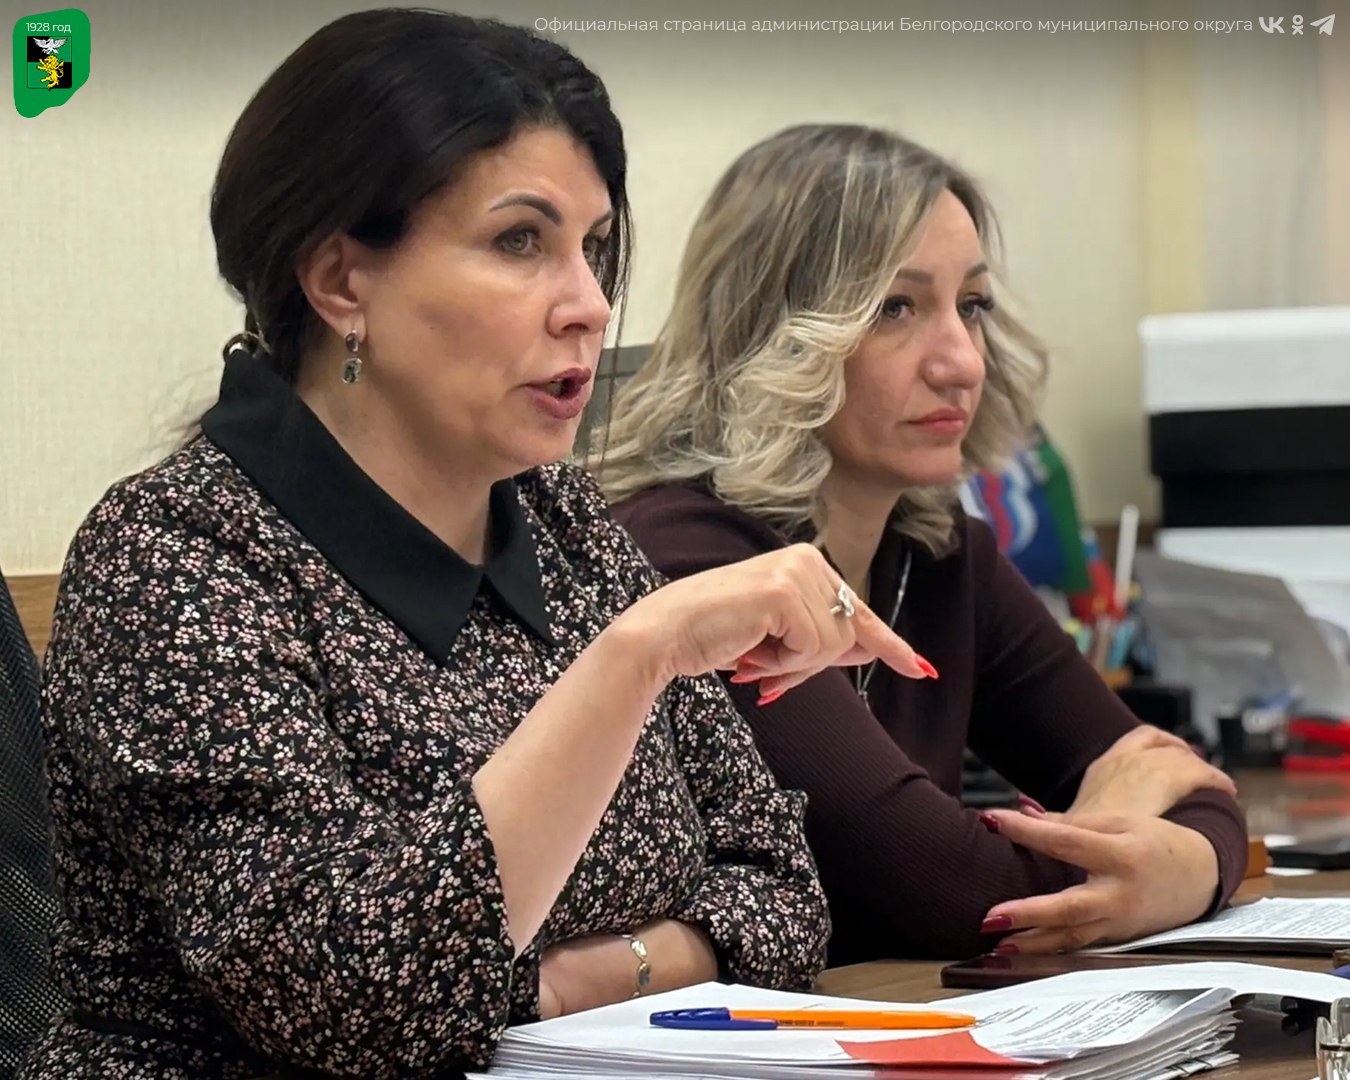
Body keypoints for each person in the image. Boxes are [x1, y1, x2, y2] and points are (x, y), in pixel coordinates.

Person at [18, 21, 937, 1080]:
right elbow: (359, 1005)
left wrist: (552, 985)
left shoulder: (560, 520)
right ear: (341, 281)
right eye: (520, 242)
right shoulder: (174, 557)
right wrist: (634, 658)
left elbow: (782, 896)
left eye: (594, 248)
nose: (590, 306)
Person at [597, 123, 1249, 965]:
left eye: (971, 306)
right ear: (775, 332)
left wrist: (1193, 864)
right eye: (895, 309)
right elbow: (948, 893)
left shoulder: (940, 553)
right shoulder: (688, 557)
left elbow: (1189, 783)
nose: (962, 363)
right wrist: (1125, 844)